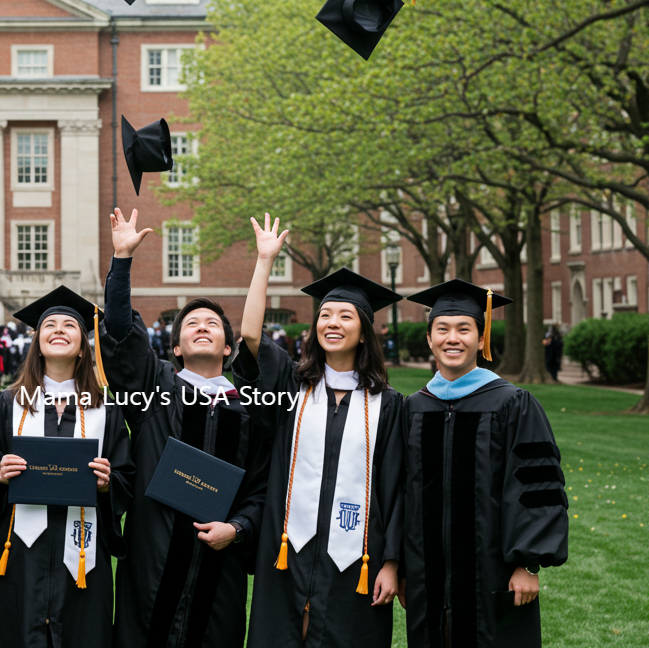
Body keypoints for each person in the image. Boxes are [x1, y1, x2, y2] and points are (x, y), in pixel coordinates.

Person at [102, 209, 273, 648]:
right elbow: (121, 337)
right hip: (153, 557)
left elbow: (261, 488)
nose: (202, 327)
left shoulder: (250, 407)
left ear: (229, 347)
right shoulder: (155, 389)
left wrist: (236, 529)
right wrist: (121, 262)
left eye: (212, 324)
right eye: (191, 325)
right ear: (175, 347)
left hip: (221, 566)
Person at [234, 215, 406, 647]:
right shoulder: (292, 387)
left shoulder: (389, 406)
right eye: (325, 314)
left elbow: (397, 489)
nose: (332, 322)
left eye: (345, 316)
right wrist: (264, 261)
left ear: (364, 331)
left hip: (357, 558)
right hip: (288, 549)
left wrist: (391, 562)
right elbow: (251, 336)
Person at [402, 280, 569, 647]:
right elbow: (400, 492)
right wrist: (399, 565)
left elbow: (534, 485)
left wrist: (526, 563)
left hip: (495, 574)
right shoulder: (413, 407)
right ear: (429, 339)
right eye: (442, 329)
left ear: (481, 339)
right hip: (425, 579)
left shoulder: (513, 404)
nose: (452, 338)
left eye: (464, 329)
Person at [0, 287, 135, 647]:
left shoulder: (105, 411)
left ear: (84, 343)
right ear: (37, 340)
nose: (59, 330)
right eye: (50, 325)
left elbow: (127, 477)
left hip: (83, 555)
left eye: (70, 325)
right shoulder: (7, 404)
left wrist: (109, 484)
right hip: (20, 554)